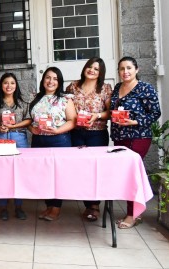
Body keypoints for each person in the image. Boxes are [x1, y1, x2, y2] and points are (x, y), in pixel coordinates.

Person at [110, 56, 161, 229]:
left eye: (129, 68)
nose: (125, 72)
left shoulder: (145, 88)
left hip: (138, 136)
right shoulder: (117, 88)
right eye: (122, 69)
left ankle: (133, 215)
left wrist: (136, 122)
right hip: (119, 136)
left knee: (132, 173)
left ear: (136, 70)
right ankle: (132, 211)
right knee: (126, 174)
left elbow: (155, 113)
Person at [65, 57, 112, 222]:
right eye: (90, 67)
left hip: (97, 133)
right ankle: (87, 203)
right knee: (80, 168)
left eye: (96, 69)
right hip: (76, 133)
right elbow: (64, 107)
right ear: (85, 68)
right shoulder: (72, 86)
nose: (92, 70)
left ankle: (94, 205)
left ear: (100, 73)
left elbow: (110, 112)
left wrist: (96, 115)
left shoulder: (105, 88)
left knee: (94, 168)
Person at [28, 67, 77, 221]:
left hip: (59, 140)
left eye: (55, 78)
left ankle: (56, 208)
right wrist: (31, 129)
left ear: (59, 82)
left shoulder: (65, 99)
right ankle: (48, 206)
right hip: (38, 141)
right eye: (48, 78)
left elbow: (73, 121)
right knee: (42, 175)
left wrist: (57, 131)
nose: (51, 81)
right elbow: (28, 120)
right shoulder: (35, 98)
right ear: (43, 81)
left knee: (57, 175)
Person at [0, 73, 32, 220]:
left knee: (19, 173)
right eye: (6, 83)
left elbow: (28, 120)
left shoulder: (22, 102)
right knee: (1, 173)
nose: (9, 86)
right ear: (1, 85)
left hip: (19, 138)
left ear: (16, 85)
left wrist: (14, 126)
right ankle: (3, 206)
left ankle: (19, 206)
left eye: (12, 83)